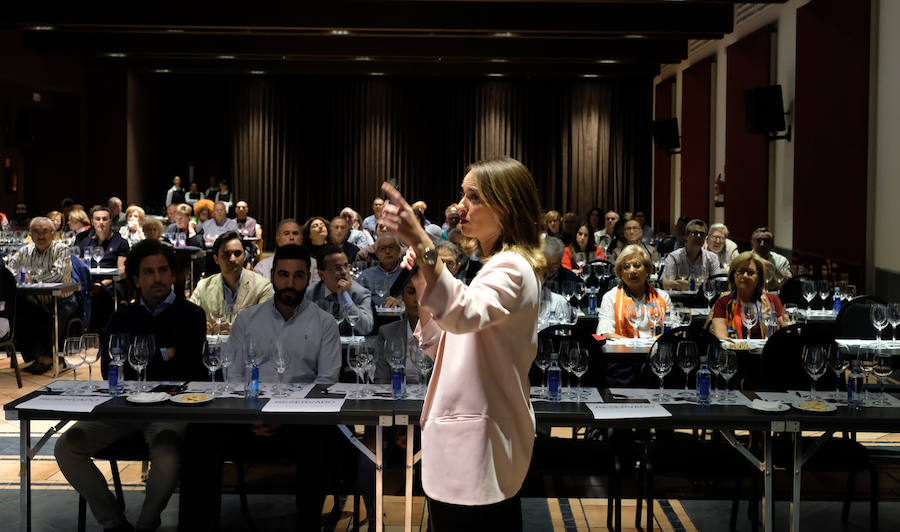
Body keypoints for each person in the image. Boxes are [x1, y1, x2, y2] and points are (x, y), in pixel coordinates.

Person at [380, 157, 545, 529]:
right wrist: (422, 277)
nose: (459, 207)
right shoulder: (494, 266)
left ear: (506, 205)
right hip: (465, 439)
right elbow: (442, 340)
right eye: (462, 194)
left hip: (478, 442)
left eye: (474, 196)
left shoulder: (513, 267)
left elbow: (462, 314)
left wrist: (423, 245)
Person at [181, 244, 341, 531]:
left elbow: (326, 383)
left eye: (297, 276)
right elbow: (233, 377)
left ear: (309, 278)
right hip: (246, 418)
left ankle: (307, 526)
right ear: (272, 277)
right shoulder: (248, 319)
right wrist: (251, 417)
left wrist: (286, 415)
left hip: (301, 421)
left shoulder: (324, 323)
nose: (289, 284)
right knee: (198, 433)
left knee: (322, 442)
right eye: (282, 275)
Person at [54, 239, 207, 532]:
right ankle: (114, 523)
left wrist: (143, 358)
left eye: (163, 270)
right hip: (124, 406)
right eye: (149, 272)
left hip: (171, 409)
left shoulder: (192, 315)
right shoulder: (122, 316)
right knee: (66, 447)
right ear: (136, 279)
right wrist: (165, 352)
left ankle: (146, 525)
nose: (158, 277)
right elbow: (108, 367)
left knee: (166, 454)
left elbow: (188, 367)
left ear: (173, 274)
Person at [8, 217, 77, 373]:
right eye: (36, 232)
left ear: (53, 233)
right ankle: (37, 357)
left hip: (63, 300)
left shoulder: (61, 249)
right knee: (19, 316)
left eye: (45, 231)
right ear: (30, 234)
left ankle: (46, 357)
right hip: (33, 299)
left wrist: (32, 281)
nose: (41, 235)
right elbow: (11, 271)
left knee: (50, 319)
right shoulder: (24, 250)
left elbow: (58, 275)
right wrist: (26, 283)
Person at [190, 231, 273, 329]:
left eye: (237, 253)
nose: (232, 259)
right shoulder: (203, 286)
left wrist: (230, 328)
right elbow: (188, 318)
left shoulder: (262, 286)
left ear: (244, 256)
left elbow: (265, 325)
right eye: (226, 254)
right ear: (216, 259)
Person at [597, 244, 671, 340]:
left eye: (637, 265)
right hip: (621, 352)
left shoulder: (663, 297)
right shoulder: (610, 297)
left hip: (656, 351)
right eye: (627, 267)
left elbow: (673, 331)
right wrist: (635, 344)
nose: (632, 271)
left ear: (647, 270)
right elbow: (605, 333)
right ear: (621, 273)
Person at [76, 206, 130, 332]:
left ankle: (104, 333)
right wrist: (90, 284)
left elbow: (121, 271)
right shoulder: (85, 242)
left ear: (110, 220)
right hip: (88, 283)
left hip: (112, 283)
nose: (101, 222)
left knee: (103, 295)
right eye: (98, 219)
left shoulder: (120, 242)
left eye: (105, 219)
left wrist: (100, 284)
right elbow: (79, 267)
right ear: (92, 221)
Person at [711, 251, 786, 340]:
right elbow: (722, 338)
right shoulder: (723, 302)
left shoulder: (772, 300)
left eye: (750, 272)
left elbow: (785, 331)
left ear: (759, 278)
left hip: (766, 352)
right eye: (741, 271)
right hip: (734, 352)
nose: (745, 276)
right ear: (733, 275)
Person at [307, 245, 374, 336]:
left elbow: (366, 328)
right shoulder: (310, 294)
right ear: (321, 275)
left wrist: (344, 296)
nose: (344, 272)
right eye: (337, 268)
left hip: (349, 349)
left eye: (346, 266)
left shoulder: (360, 293)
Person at [661, 219, 721, 290]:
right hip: (678, 299)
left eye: (702, 234)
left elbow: (719, 283)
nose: (698, 236)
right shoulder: (674, 257)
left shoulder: (712, 258)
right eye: (694, 233)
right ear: (686, 236)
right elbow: (666, 284)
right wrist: (678, 284)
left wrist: (680, 283)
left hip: (704, 299)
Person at [356, 233, 403, 306]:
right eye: (383, 249)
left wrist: (402, 302)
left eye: (391, 247)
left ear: (399, 250)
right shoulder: (366, 276)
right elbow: (356, 299)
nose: (387, 251)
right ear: (377, 253)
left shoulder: (407, 275)